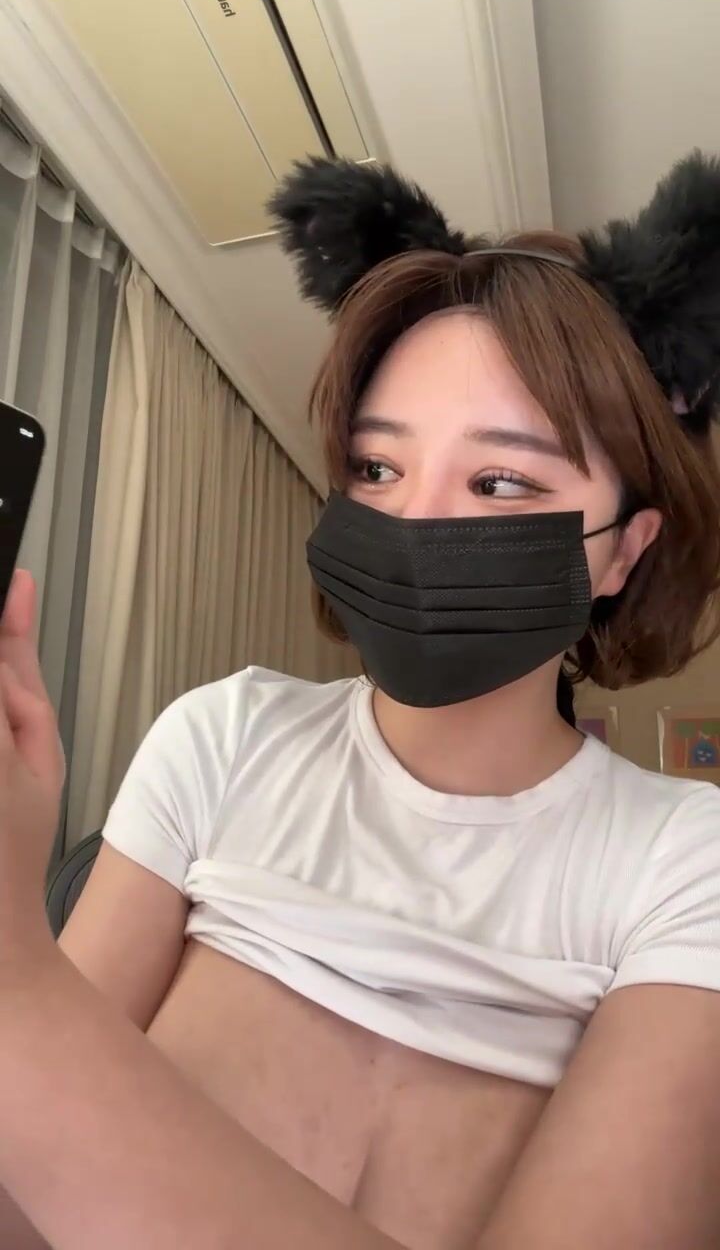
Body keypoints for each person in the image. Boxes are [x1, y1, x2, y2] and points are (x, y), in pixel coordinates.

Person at [1, 151, 720, 1250]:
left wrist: (13, 969)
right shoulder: (224, 736)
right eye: (377, 469)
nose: (414, 521)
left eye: (501, 481)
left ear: (626, 548)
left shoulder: (686, 865)